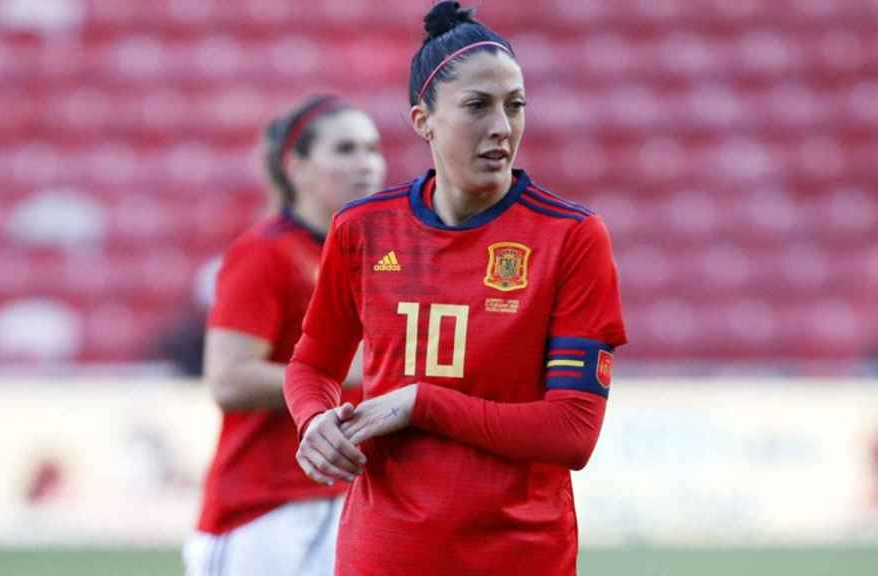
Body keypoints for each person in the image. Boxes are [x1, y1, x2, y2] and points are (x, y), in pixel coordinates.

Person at [283, 3, 626, 574]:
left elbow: (573, 431)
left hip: (519, 555)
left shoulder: (571, 236)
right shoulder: (362, 228)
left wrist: (421, 402)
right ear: (424, 121)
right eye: (478, 106)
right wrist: (314, 418)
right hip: (383, 553)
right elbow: (312, 363)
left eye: (515, 106)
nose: (502, 126)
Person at [184, 96, 386, 576]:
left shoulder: (375, 256)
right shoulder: (265, 253)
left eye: (373, 148)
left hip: (351, 500)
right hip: (264, 512)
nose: (367, 164)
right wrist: (341, 372)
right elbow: (229, 380)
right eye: (345, 149)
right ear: (296, 168)